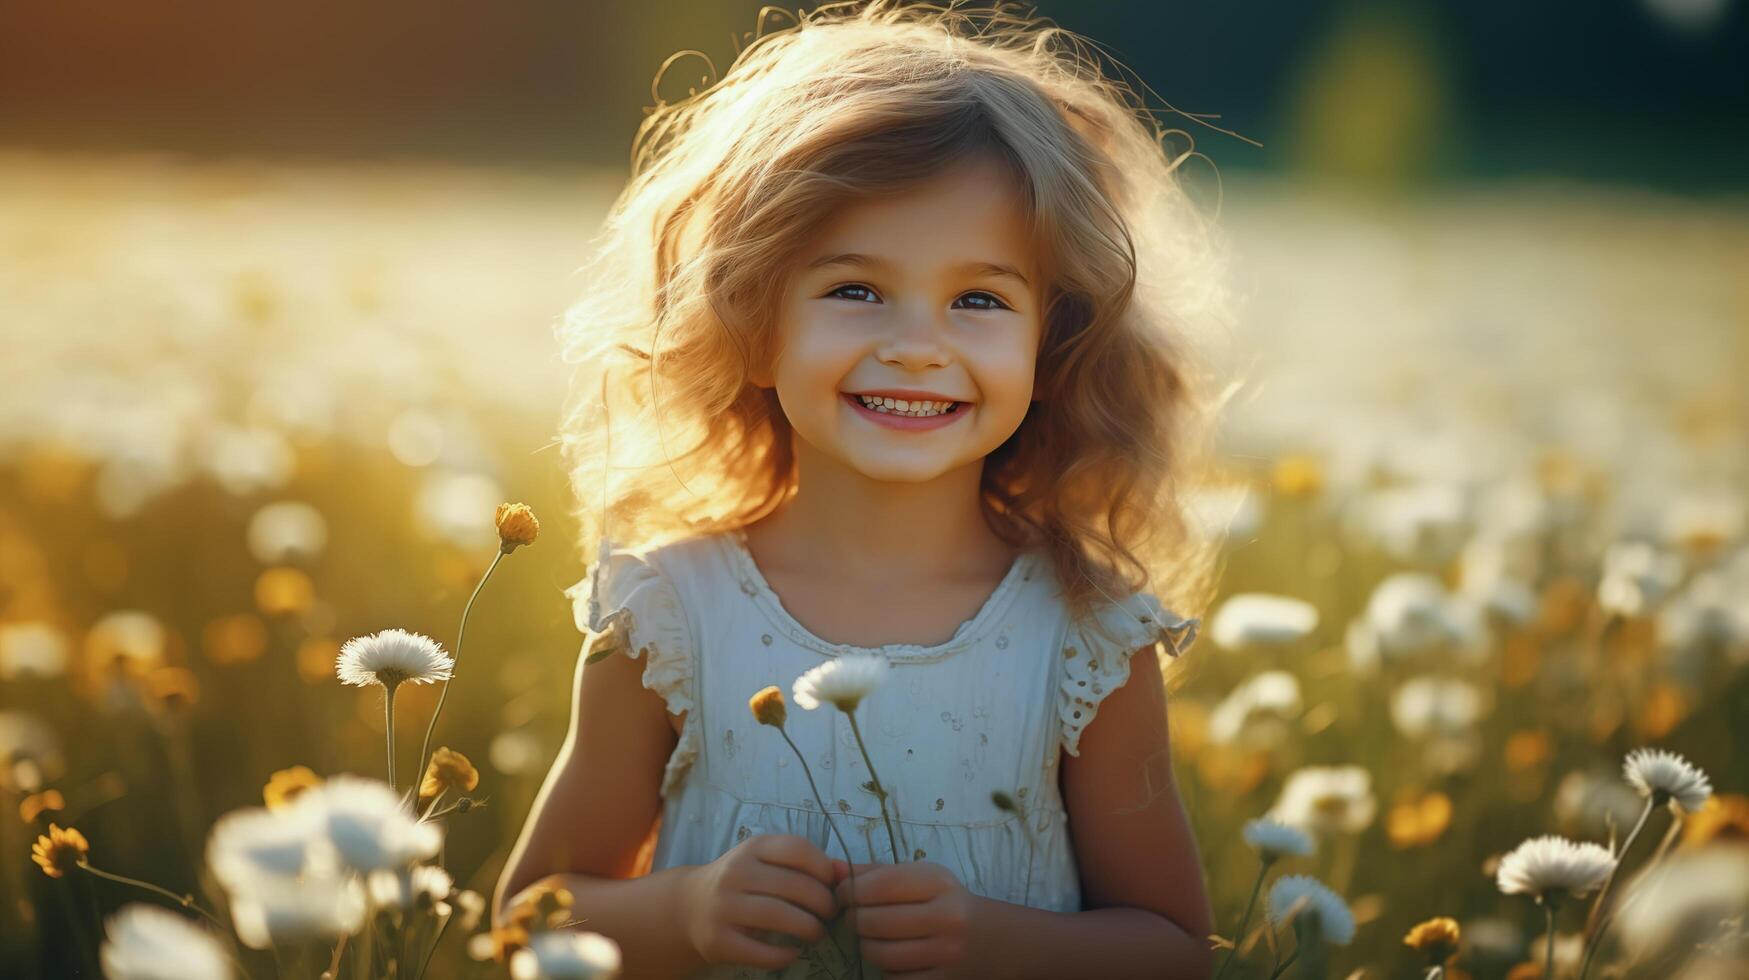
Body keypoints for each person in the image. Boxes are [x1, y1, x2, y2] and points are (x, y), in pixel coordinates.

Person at [496, 2, 1235, 976]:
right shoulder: (667, 613)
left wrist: (991, 939)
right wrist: (688, 908)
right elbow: (525, 918)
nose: (917, 346)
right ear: (753, 322)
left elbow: (1173, 947)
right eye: (855, 289)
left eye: (979, 299)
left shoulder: (1085, 636)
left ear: (1051, 346)